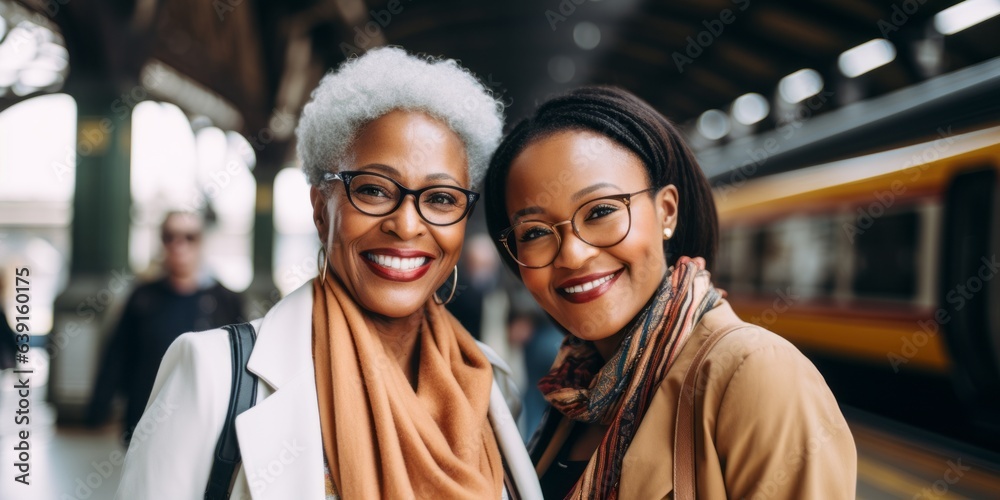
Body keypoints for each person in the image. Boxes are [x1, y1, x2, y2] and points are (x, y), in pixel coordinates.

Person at [116, 47, 542, 499]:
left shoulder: (487, 382)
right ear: (321, 210)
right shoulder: (214, 375)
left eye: (440, 198)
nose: (407, 224)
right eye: (375, 189)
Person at [484, 86, 857, 499]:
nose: (572, 255)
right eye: (534, 232)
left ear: (667, 212)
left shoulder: (754, 373)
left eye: (601, 211)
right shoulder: (577, 392)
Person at [87, 211, 243, 443]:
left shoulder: (225, 301)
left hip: (205, 424)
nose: (179, 245)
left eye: (189, 237)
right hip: (147, 421)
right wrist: (98, 409)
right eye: (170, 236)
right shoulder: (143, 297)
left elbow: (240, 361)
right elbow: (118, 353)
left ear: (201, 242)